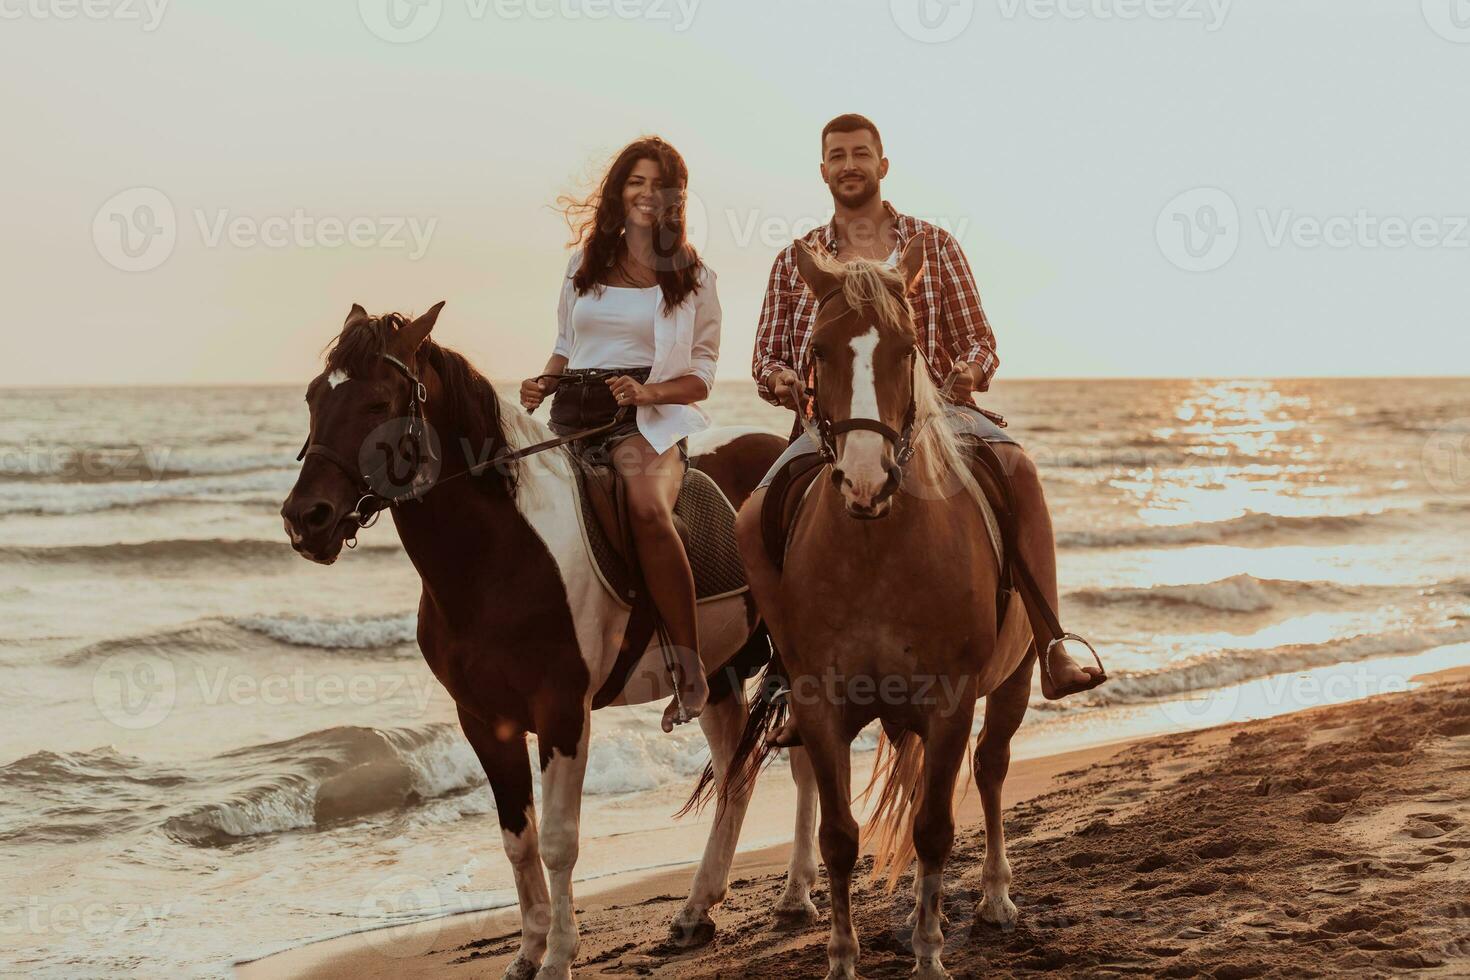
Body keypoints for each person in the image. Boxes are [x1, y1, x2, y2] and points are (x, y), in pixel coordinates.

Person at [735, 114, 1105, 741]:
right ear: (822, 170)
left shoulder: (932, 247)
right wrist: (782, 383)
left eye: (860, 154)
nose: (848, 165)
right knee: (750, 520)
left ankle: (1051, 642)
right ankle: (792, 670)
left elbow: (982, 341)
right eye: (836, 156)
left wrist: (966, 373)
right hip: (832, 426)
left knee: (1018, 471)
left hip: (939, 416)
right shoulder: (797, 261)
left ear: (883, 165)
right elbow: (765, 355)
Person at [521, 136, 720, 733]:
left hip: (648, 422)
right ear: (619, 190)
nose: (645, 194)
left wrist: (648, 394)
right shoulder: (582, 266)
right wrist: (543, 382)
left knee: (645, 508)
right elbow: (564, 342)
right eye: (635, 181)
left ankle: (690, 670)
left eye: (659, 185)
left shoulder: (693, 278)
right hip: (573, 413)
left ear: (674, 199)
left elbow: (703, 374)